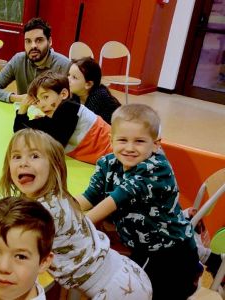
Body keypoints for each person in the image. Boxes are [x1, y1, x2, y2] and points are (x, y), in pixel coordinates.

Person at [0, 129, 152, 299]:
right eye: (16, 156)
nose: (23, 163)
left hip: (117, 290)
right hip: (124, 271)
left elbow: (10, 245)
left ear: (54, 167)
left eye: (34, 156)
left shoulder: (46, 210)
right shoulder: (56, 196)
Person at [77, 104, 199, 299]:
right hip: (140, 248)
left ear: (156, 144)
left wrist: (74, 227)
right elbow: (89, 197)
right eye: (122, 140)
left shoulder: (156, 168)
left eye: (139, 141)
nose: (129, 148)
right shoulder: (107, 163)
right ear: (111, 140)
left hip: (170, 254)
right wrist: (59, 210)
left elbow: (115, 200)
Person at [14, 71, 112, 164]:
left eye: (45, 97)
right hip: (110, 157)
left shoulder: (68, 107)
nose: (42, 105)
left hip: (114, 149)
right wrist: (23, 108)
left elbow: (54, 145)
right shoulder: (51, 117)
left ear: (63, 94)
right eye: (37, 101)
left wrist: (41, 128)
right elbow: (20, 132)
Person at [0, 17, 70, 103]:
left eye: (39, 40)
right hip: (23, 114)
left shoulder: (65, 66)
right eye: (28, 41)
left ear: (50, 41)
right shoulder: (18, 60)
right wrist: (16, 98)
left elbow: (74, 104)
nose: (33, 46)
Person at [68, 57, 121, 124]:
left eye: (74, 77)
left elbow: (85, 123)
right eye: (69, 75)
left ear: (88, 84)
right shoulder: (77, 93)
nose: (68, 79)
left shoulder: (98, 95)